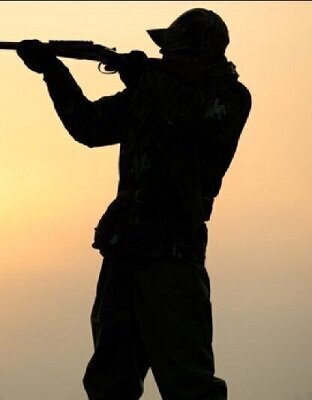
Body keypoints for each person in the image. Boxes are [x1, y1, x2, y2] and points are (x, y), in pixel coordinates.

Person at [17, 8, 251, 400]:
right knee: (110, 380)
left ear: (200, 55)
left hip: (173, 256)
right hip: (125, 249)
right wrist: (53, 72)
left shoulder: (228, 98)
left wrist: (144, 76)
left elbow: (193, 115)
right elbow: (89, 126)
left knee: (189, 383)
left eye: (173, 52)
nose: (164, 58)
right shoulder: (151, 91)